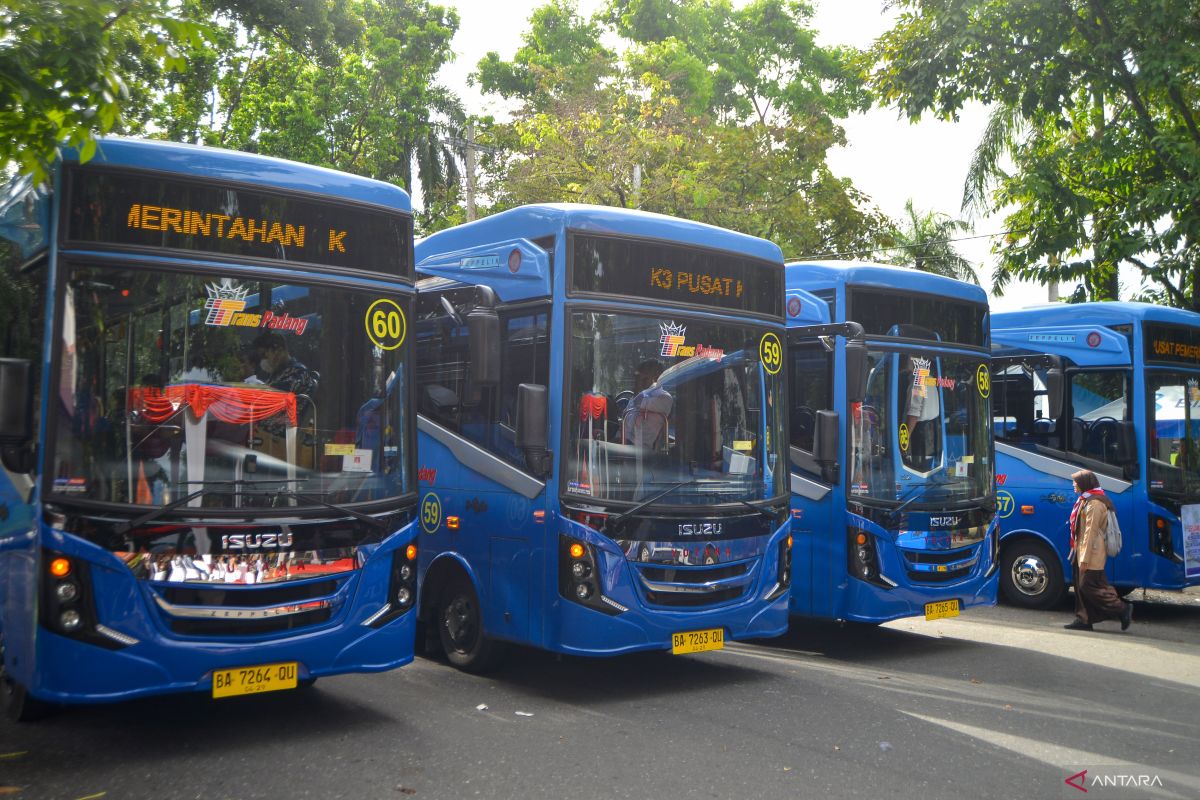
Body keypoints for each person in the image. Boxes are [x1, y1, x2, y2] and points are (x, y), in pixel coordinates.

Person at [1065, 468, 1133, 631]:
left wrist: (1084, 559)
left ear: (1085, 483)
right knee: (1085, 584)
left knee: (1087, 586)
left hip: (1092, 552)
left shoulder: (1094, 503)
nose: (1074, 484)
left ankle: (1122, 609)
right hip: (1081, 550)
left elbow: (1090, 532)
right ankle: (1084, 619)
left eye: (1076, 481)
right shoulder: (1086, 499)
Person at [622, 359, 673, 449]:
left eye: (645, 378)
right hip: (626, 440)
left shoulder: (664, 397)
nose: (640, 381)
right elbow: (625, 417)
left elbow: (640, 402)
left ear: (656, 377)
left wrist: (639, 387)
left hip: (641, 446)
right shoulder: (638, 394)